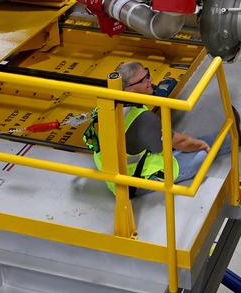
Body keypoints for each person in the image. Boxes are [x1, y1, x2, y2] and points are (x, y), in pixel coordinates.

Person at [88, 61, 209, 194]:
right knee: (201, 154)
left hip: (113, 174)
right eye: (143, 80)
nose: (150, 80)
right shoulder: (144, 119)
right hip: (133, 183)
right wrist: (201, 145)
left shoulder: (108, 105)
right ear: (128, 89)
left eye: (148, 75)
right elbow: (174, 144)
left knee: (185, 141)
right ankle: (228, 140)